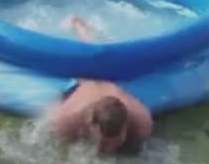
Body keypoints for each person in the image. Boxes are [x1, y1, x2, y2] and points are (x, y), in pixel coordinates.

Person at [50, 16, 153, 155]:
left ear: (126, 125)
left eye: (117, 140)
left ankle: (79, 25)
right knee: (91, 57)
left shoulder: (141, 121)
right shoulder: (68, 119)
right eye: (104, 141)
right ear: (90, 123)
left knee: (98, 57)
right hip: (85, 84)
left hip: (107, 79)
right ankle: (77, 24)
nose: (110, 148)